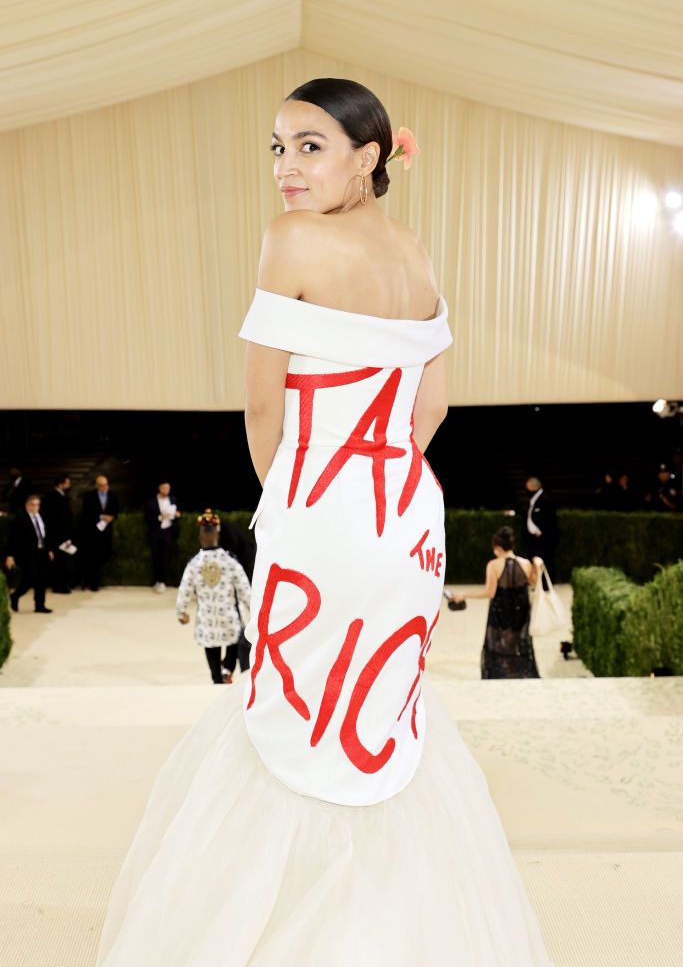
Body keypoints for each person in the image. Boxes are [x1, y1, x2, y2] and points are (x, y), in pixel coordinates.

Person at [96, 80, 554, 965]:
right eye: (276, 147)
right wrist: (387, 492)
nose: (286, 167)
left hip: (319, 508)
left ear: (369, 156)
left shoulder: (291, 241)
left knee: (297, 713)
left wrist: (294, 503)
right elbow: (430, 411)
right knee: (382, 711)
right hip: (405, 519)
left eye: (309, 145)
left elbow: (261, 409)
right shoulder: (417, 255)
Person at [454, 526, 542, 679]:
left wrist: (464, 595)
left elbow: (489, 592)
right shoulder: (526, 564)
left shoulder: (493, 565)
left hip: (500, 613)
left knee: (498, 648)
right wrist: (537, 567)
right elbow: (534, 583)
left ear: (498, 547)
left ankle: (502, 675)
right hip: (521, 612)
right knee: (519, 644)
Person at [176, 510, 251, 685]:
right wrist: (253, 610)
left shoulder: (194, 564)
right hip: (229, 618)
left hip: (207, 622)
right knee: (234, 643)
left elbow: (184, 590)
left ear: (200, 536)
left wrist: (182, 612)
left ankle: (217, 678)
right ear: (217, 533)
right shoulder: (230, 561)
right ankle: (228, 669)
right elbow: (245, 591)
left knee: (211, 650)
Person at [4, 495, 53, 613]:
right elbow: (13, 538)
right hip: (27, 553)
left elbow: (46, 535)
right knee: (30, 578)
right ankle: (15, 596)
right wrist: (10, 555)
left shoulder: (42, 516)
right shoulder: (20, 518)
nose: (36, 507)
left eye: (38, 504)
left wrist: (49, 550)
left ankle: (40, 605)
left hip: (42, 552)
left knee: (41, 579)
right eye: (33, 504)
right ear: (27, 505)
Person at [80, 475, 119, 591]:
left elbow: (116, 510)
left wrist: (111, 517)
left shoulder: (113, 495)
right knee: (93, 557)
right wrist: (101, 516)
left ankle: (94, 579)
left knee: (105, 554)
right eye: (102, 485)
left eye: (106, 484)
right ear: (97, 485)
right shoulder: (89, 496)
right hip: (93, 531)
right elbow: (86, 512)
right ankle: (93, 582)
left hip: (107, 530)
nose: (104, 487)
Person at [41, 473, 75, 593]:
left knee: (64, 560)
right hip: (56, 535)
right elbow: (48, 518)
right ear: (61, 484)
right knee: (57, 561)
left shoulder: (64, 496)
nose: (69, 485)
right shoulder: (50, 496)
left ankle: (64, 584)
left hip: (65, 535)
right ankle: (57, 585)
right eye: (67, 483)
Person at [144, 480, 180, 593]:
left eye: (168, 488)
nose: (166, 490)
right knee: (156, 557)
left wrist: (177, 515)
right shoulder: (151, 502)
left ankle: (163, 581)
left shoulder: (173, 500)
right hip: (155, 533)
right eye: (164, 488)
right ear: (159, 488)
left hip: (168, 532)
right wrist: (160, 517)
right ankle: (156, 580)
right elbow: (147, 518)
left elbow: (175, 513)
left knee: (166, 557)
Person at [522, 475, 558, 582]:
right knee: (533, 562)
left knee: (546, 561)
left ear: (533, 487)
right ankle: (537, 584)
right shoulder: (532, 500)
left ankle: (547, 585)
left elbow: (550, 520)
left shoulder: (546, 500)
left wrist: (542, 534)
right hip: (532, 539)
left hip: (544, 539)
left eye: (528, 487)